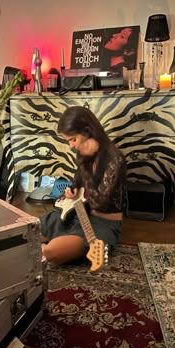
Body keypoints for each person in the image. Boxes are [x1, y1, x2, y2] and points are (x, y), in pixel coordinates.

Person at [40, 106, 126, 264]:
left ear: (87, 131)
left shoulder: (115, 159)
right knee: (25, 235)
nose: (71, 146)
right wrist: (71, 191)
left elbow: (100, 202)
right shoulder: (82, 152)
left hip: (102, 223)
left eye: (73, 139)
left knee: (52, 252)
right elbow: (77, 182)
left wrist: (86, 169)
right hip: (76, 213)